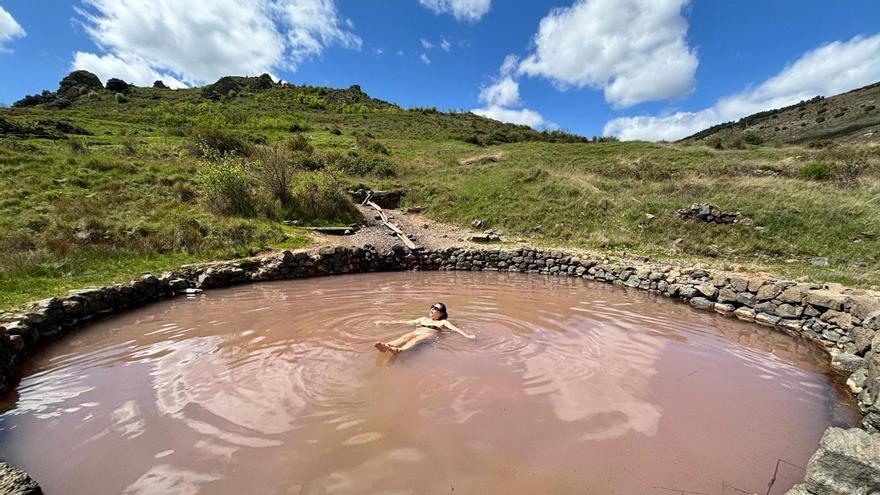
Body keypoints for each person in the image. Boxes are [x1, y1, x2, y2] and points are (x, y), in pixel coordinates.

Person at [374, 303, 475, 353]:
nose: (432, 309)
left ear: (441, 314)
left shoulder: (443, 322)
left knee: (416, 340)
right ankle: (386, 346)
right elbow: (405, 322)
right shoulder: (422, 319)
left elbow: (455, 329)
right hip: (416, 331)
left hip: (428, 334)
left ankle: (399, 350)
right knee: (404, 337)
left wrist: (467, 336)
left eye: (436, 308)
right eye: (432, 307)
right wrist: (385, 322)